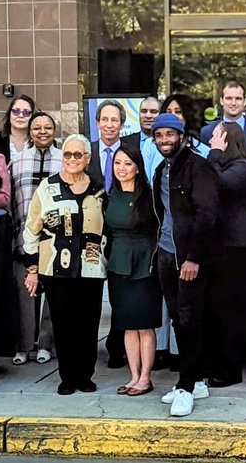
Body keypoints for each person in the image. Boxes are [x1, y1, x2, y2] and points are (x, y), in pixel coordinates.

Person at [22, 133, 107, 395]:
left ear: (87, 158)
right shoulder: (47, 188)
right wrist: (32, 268)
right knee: (63, 323)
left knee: (88, 323)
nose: (72, 159)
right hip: (55, 267)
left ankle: (85, 375)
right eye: (67, 154)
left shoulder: (99, 189)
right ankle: (68, 377)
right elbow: (31, 228)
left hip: (91, 267)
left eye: (77, 155)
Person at [150, 113, 220, 417]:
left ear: (182, 136)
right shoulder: (160, 170)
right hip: (166, 252)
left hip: (188, 257)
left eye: (170, 134)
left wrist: (193, 258)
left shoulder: (197, 167)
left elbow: (207, 216)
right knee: (179, 318)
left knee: (190, 319)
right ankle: (198, 380)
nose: (165, 140)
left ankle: (186, 386)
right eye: (159, 135)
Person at [203, 121, 246, 388]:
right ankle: (217, 362)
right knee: (217, 308)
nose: (211, 141)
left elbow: (218, 185)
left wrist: (213, 154)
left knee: (231, 309)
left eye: (216, 137)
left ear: (228, 140)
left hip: (237, 246)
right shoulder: (223, 165)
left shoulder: (243, 168)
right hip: (219, 245)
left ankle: (231, 368)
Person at [104, 147, 160, 397]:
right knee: (127, 325)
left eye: (128, 163)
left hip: (144, 264)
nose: (122, 168)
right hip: (118, 264)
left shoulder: (149, 197)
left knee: (144, 325)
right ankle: (133, 376)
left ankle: (146, 378)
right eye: (117, 163)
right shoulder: (109, 196)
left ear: (138, 167)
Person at [10, 111, 61, 365]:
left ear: (55, 131)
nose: (43, 131)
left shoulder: (64, 160)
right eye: (37, 127)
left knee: (51, 297)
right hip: (23, 237)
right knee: (24, 295)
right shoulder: (18, 161)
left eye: (48, 127)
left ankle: (46, 344)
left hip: (55, 241)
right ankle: (23, 345)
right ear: (30, 132)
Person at [201, 82, 246, 159]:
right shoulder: (207, 131)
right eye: (229, 98)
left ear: (245, 101)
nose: (233, 103)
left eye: (238, 98)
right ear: (221, 101)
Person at [0, 95, 37, 163]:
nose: (20, 115)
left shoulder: (40, 141)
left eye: (26, 113)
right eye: (16, 111)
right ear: (9, 114)